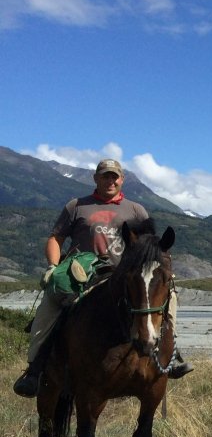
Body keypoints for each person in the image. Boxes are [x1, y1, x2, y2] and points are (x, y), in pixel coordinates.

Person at [13, 159, 193, 397]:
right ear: (95, 179)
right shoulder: (76, 206)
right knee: (50, 307)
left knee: (168, 297)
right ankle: (35, 368)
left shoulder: (136, 210)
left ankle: (170, 355)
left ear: (122, 180)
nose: (110, 181)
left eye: (115, 177)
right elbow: (55, 238)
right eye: (105, 176)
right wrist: (52, 267)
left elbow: (149, 247)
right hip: (83, 273)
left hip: (124, 275)